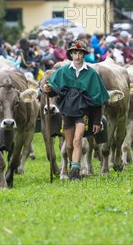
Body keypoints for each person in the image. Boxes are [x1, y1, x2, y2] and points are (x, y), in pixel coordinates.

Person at [43, 40, 109, 181]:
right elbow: (54, 91)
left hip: (83, 112)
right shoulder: (63, 71)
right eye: (74, 53)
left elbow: (97, 100)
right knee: (68, 144)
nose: (77, 56)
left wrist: (96, 120)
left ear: (84, 55)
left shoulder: (92, 74)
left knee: (77, 139)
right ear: (71, 54)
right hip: (67, 112)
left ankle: (74, 172)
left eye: (80, 53)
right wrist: (48, 90)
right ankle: (72, 164)